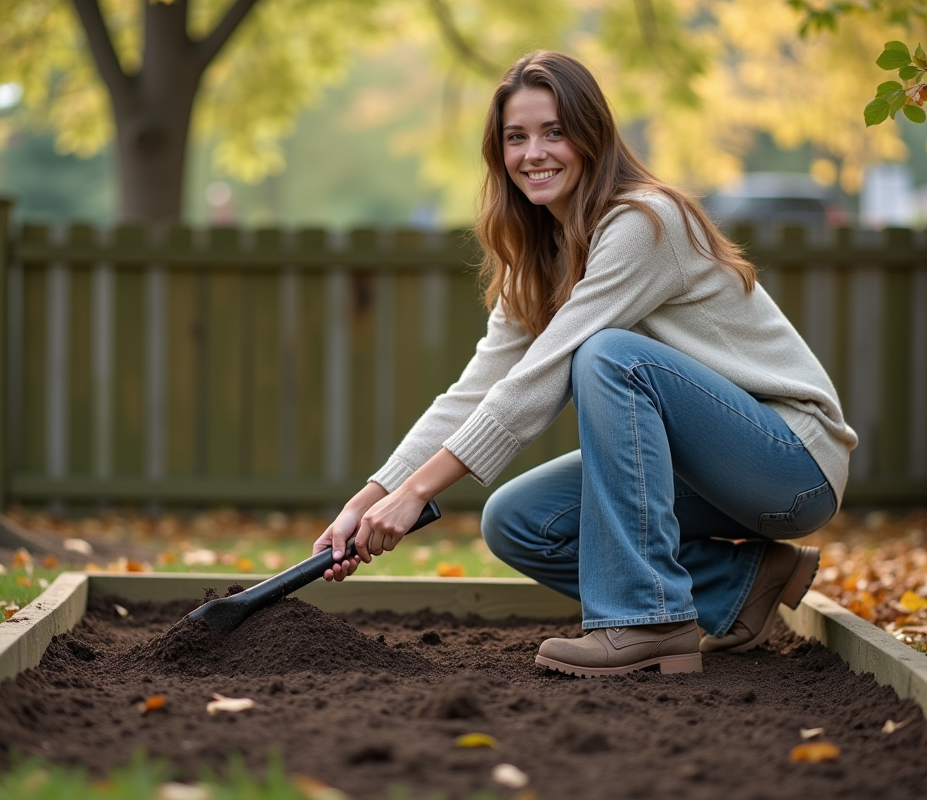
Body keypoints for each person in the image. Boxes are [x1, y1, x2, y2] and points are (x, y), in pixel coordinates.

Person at [313, 51, 857, 677]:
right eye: (516, 137)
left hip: (790, 460)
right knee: (519, 521)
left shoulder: (646, 223)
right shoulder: (537, 259)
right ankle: (743, 583)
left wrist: (417, 495)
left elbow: (546, 371)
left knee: (607, 355)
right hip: (708, 471)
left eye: (554, 131)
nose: (533, 153)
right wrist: (372, 495)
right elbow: (480, 389)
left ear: (592, 136)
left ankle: (648, 618)